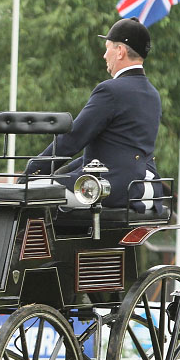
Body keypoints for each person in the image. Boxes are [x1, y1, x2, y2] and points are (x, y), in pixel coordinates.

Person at [23, 17, 164, 213]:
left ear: (120, 51)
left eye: (108, 48)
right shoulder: (152, 94)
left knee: (27, 194)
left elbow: (73, 138)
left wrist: (32, 172)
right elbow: (115, 151)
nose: (104, 55)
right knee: (51, 183)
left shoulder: (111, 90)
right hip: (145, 187)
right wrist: (63, 171)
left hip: (107, 188)